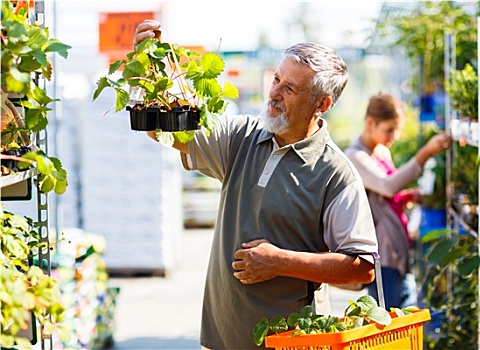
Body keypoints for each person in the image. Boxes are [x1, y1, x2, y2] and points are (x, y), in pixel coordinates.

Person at [133, 20, 379, 350]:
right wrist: (150, 62)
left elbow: (362, 268)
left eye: (290, 88)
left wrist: (281, 261)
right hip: (221, 339)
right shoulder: (241, 137)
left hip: (292, 343)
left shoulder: (335, 173)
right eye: (276, 79)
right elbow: (166, 130)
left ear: (322, 105)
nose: (274, 93)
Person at [344, 94, 452, 309]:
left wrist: (406, 198)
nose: (395, 136)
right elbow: (387, 186)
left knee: (404, 314)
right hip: (382, 254)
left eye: (397, 130)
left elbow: (383, 197)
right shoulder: (355, 156)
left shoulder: (381, 152)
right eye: (389, 129)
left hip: (397, 248)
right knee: (388, 322)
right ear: (370, 123)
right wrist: (424, 154)